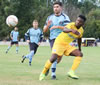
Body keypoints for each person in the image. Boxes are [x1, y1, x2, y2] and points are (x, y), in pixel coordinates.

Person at [39, 15, 86, 81]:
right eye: (77, 20)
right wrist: (71, 30)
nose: (78, 22)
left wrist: (79, 48)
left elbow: (79, 38)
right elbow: (64, 29)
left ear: (83, 24)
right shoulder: (71, 25)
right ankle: (43, 73)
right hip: (59, 43)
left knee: (80, 54)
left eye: (80, 22)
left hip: (67, 45)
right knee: (53, 58)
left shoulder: (81, 30)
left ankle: (71, 72)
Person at [43, 1, 70, 79]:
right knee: (55, 55)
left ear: (61, 8)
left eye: (57, 7)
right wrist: (47, 25)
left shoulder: (65, 17)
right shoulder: (49, 17)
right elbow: (44, 30)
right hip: (53, 39)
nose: (55, 8)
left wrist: (57, 27)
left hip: (62, 39)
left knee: (59, 58)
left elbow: (67, 28)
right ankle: (53, 74)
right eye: (54, 7)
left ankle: (48, 66)